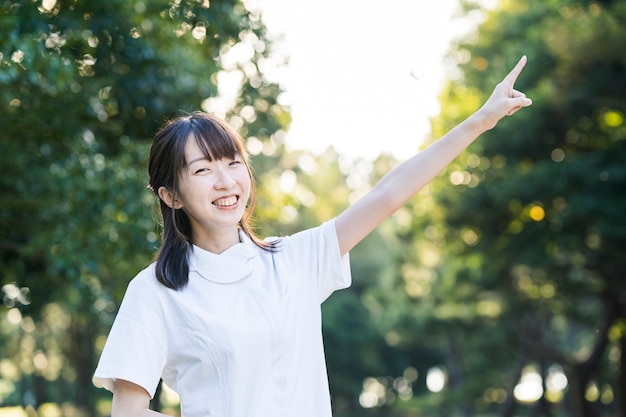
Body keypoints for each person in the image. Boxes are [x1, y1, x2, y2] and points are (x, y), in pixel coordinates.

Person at [93, 56, 532, 417]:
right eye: (203, 170)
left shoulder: (293, 260)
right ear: (171, 196)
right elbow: (128, 413)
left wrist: (480, 120)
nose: (225, 181)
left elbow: (388, 194)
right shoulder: (155, 291)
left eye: (232, 162)